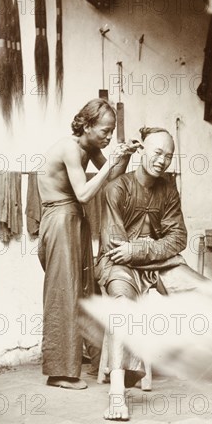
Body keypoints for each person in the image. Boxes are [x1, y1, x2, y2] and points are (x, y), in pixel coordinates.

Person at [96, 126, 212, 419]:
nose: (162, 160)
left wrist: (139, 249)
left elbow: (178, 237)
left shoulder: (168, 188)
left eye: (168, 156)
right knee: (122, 306)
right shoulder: (116, 188)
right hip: (120, 266)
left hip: (156, 264)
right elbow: (117, 246)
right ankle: (117, 393)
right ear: (141, 150)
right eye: (157, 152)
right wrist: (143, 249)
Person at [37, 99, 140, 390]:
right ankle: (59, 372)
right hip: (60, 219)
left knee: (85, 288)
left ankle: (95, 362)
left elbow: (110, 180)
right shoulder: (70, 147)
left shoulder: (90, 148)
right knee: (63, 292)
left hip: (74, 219)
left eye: (112, 133)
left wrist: (125, 156)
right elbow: (84, 193)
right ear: (86, 125)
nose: (108, 137)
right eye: (105, 131)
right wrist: (111, 161)